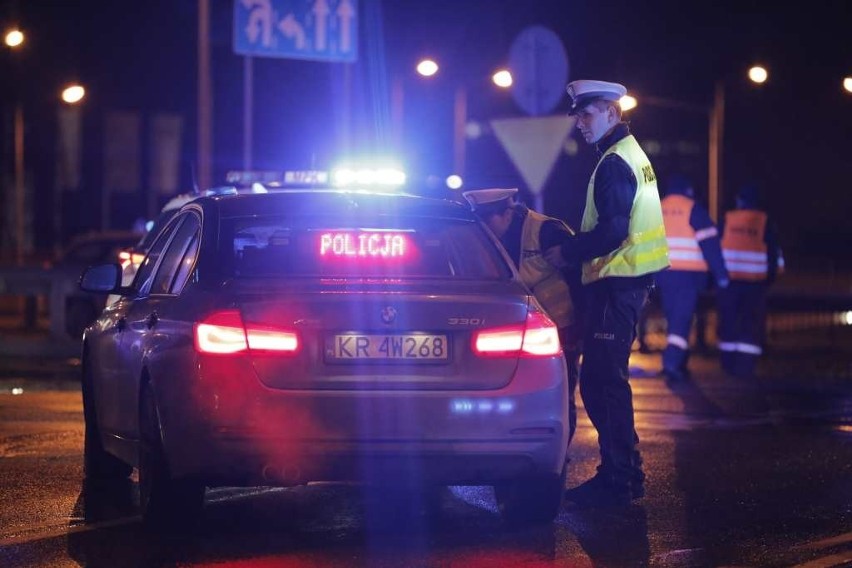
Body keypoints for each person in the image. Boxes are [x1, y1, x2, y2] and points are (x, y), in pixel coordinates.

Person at [544, 79, 670, 508]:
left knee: (604, 382)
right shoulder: (628, 155)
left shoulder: (616, 162)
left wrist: (568, 251)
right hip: (625, 284)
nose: (580, 123)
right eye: (578, 116)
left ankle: (620, 477)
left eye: (587, 114)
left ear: (612, 114)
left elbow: (614, 230)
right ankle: (623, 474)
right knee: (605, 381)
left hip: (618, 286)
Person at [462, 188, 583, 448]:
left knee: (558, 397)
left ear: (507, 213)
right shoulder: (485, 237)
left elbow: (582, 279)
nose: (483, 227)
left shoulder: (546, 231)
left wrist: (581, 328)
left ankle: (558, 459)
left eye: (487, 220)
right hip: (508, 334)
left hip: (559, 330)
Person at [658, 174, 729, 383]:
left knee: (674, 318)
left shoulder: (657, 208)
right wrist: (721, 275)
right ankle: (671, 363)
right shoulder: (693, 208)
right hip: (687, 277)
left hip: (662, 274)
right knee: (682, 319)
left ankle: (679, 362)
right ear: (688, 190)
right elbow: (711, 245)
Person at [717, 183, 784, 379]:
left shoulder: (727, 219)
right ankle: (745, 368)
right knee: (750, 324)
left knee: (728, 322)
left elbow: (716, 248)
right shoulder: (764, 222)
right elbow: (774, 254)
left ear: (740, 200)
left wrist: (718, 276)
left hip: (729, 282)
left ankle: (728, 365)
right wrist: (769, 279)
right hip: (755, 284)